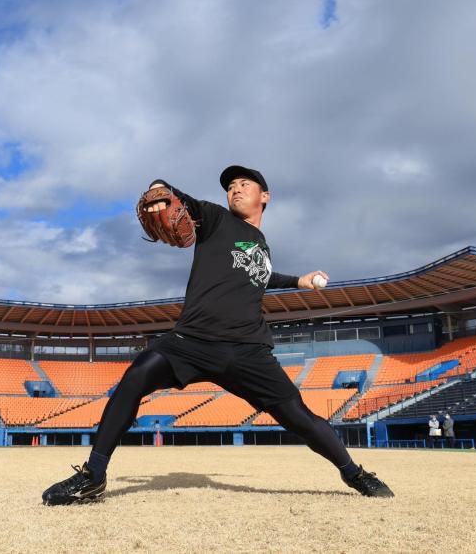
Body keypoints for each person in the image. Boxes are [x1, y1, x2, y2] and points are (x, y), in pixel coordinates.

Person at [42, 166, 394, 505]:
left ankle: (354, 473)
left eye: (244, 183)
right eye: (230, 186)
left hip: (248, 351)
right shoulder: (214, 219)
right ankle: (94, 474)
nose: (235, 189)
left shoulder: (261, 245)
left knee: (300, 418)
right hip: (191, 342)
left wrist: (298, 281)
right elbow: (179, 199)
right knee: (136, 376)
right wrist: (159, 187)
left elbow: (261, 274)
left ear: (265, 196)